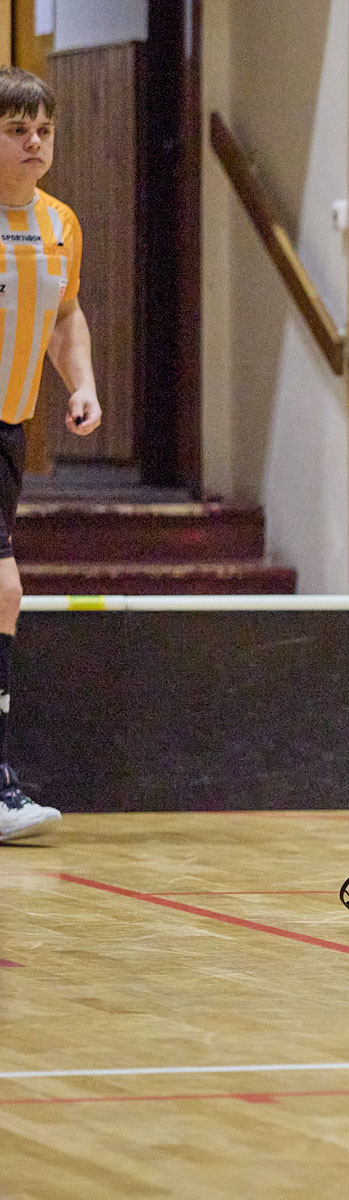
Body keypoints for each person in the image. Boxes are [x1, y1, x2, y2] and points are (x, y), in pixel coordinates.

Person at [0, 67, 102, 845]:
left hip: (10, 430)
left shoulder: (60, 223)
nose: (34, 143)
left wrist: (83, 383)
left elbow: (64, 316)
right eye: (16, 131)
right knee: (3, 589)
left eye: (44, 130)